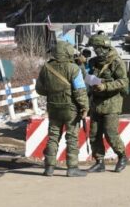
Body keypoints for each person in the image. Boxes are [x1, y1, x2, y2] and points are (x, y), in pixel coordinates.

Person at [35, 40, 89, 177]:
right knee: (71, 138)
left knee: (53, 136)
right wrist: (84, 107)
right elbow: (80, 90)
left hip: (53, 107)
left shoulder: (46, 68)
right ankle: (72, 168)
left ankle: (49, 167)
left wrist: (53, 93)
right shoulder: (73, 68)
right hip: (70, 109)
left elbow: (39, 89)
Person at [86, 34, 129, 173]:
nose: (95, 51)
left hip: (112, 103)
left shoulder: (116, 62)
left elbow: (124, 82)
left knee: (111, 133)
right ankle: (99, 162)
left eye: (97, 48)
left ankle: (122, 156)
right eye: (94, 48)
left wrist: (105, 86)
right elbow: (86, 77)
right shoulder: (93, 62)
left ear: (104, 47)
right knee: (94, 134)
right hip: (96, 103)